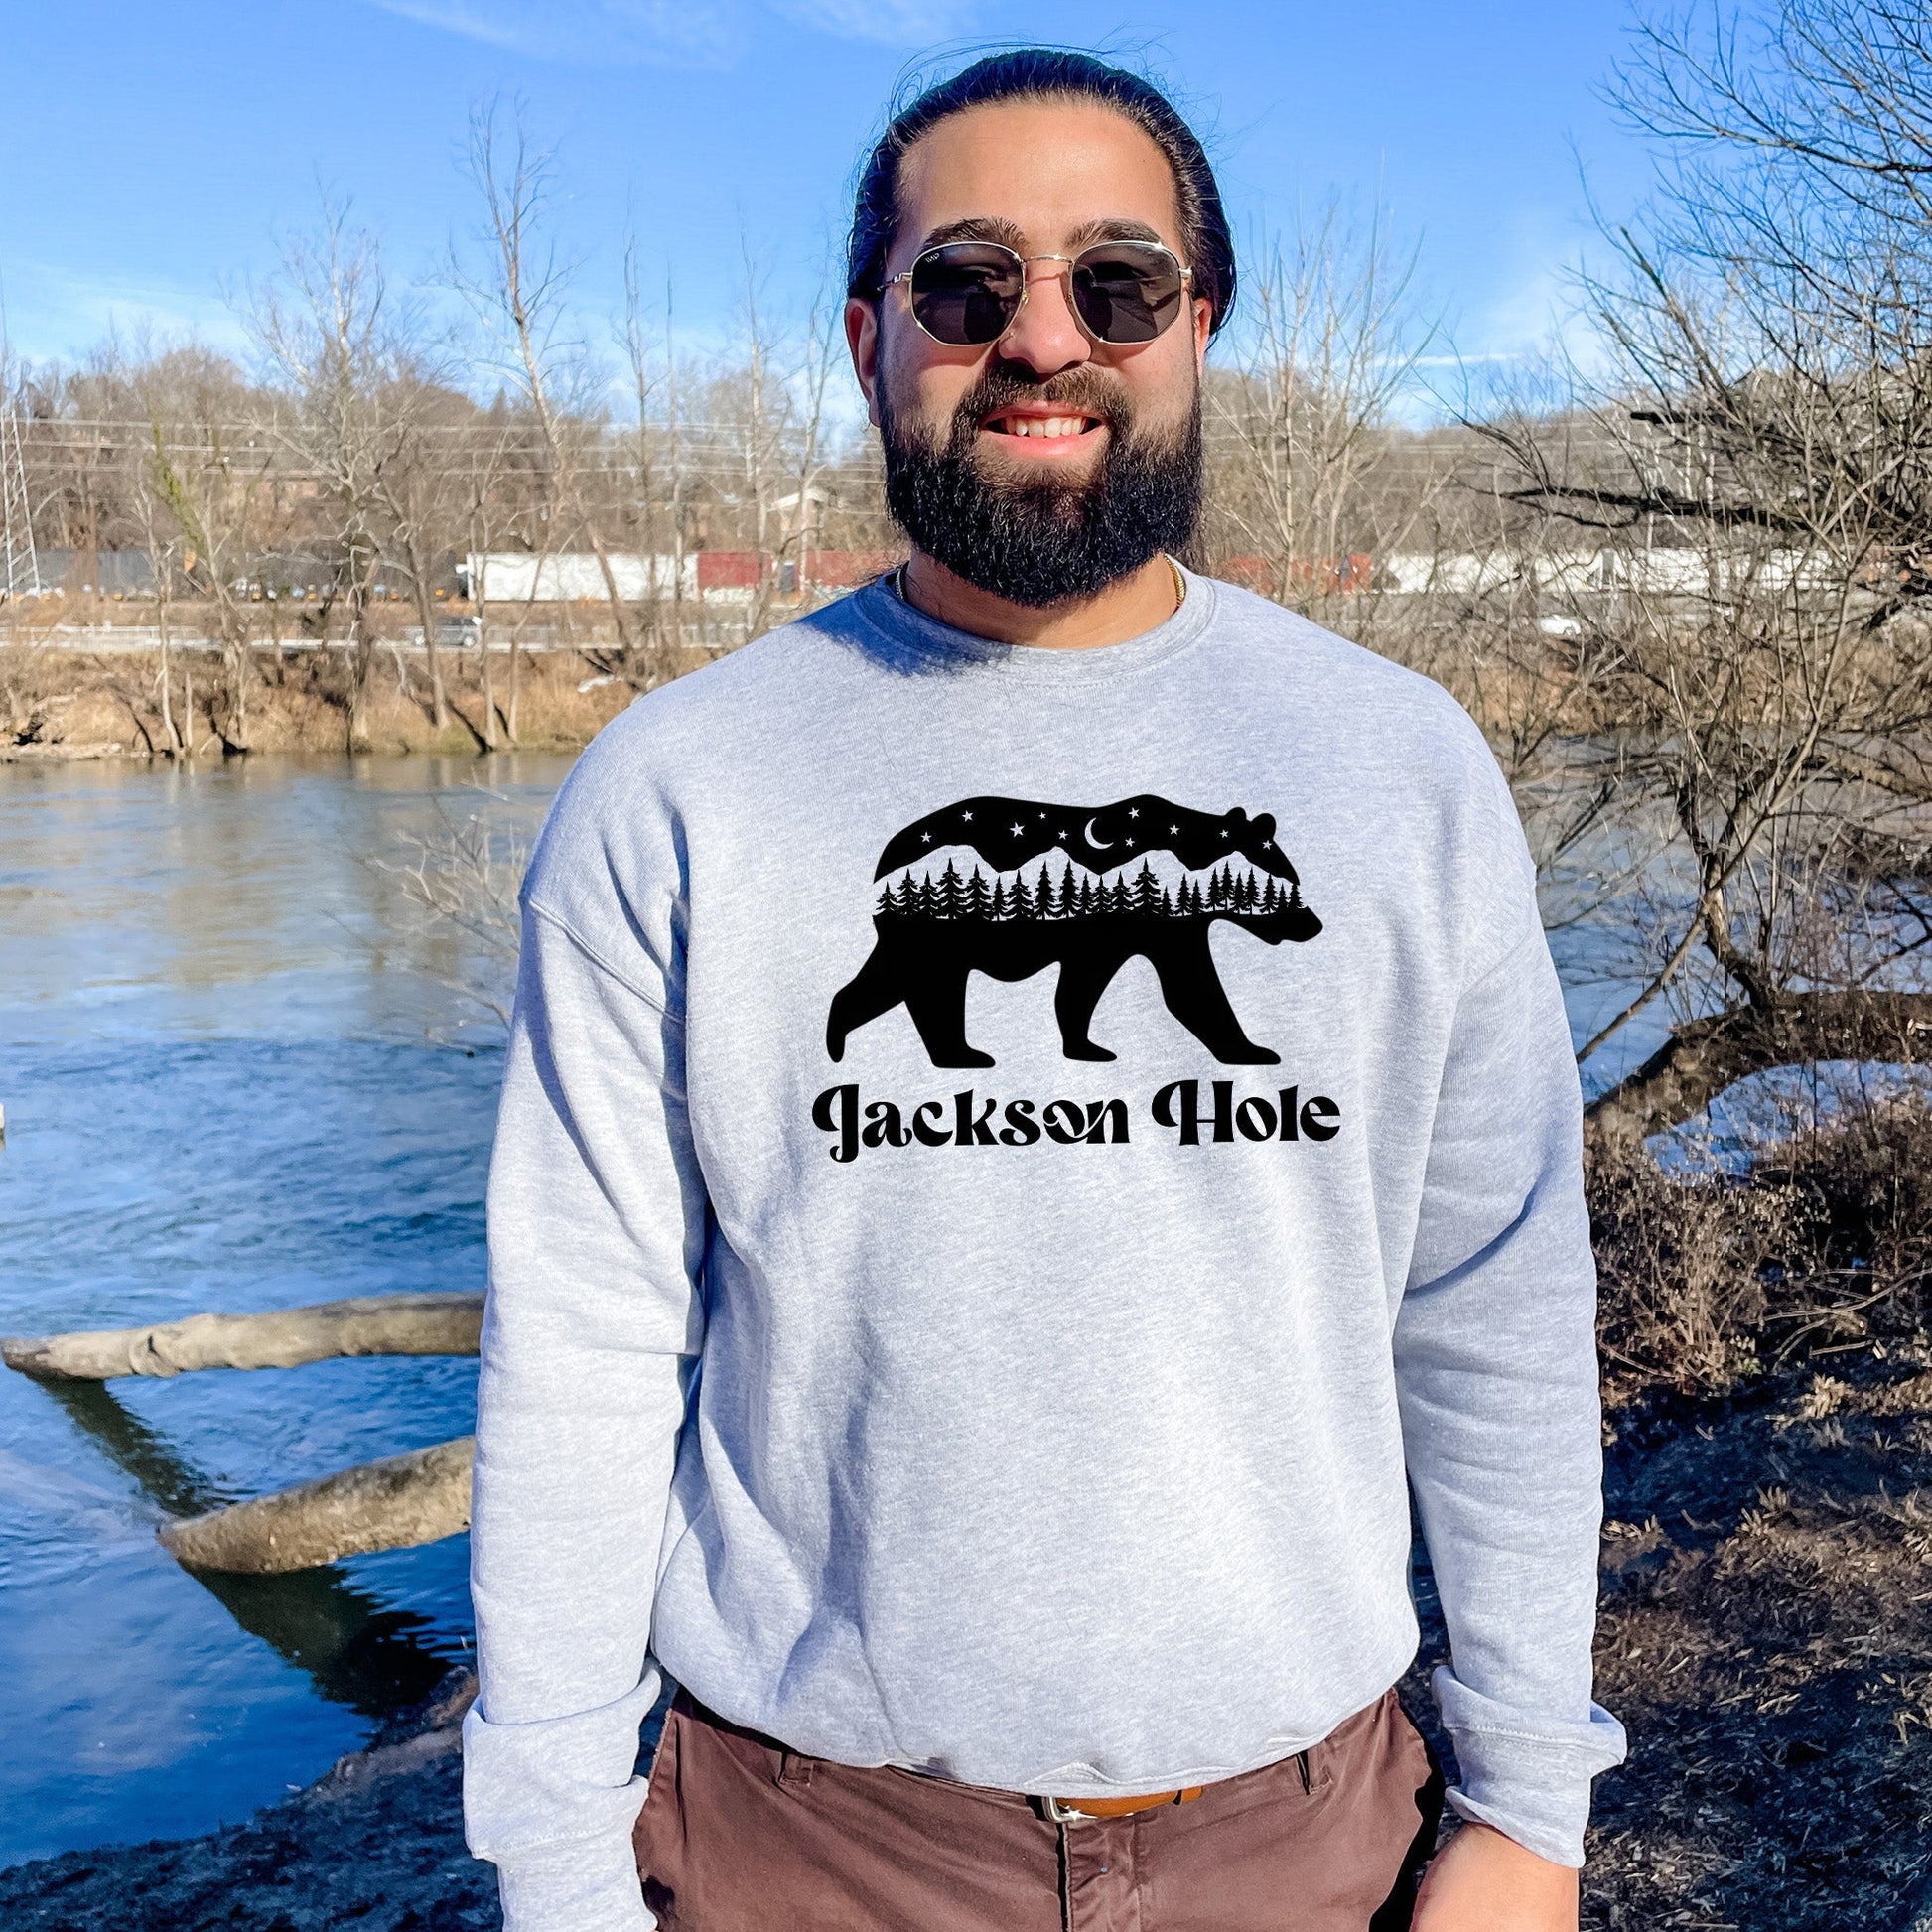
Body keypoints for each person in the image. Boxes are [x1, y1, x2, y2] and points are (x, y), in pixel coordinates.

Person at [462, 48, 1626, 1932]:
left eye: (1117, 282)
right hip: (803, 1847)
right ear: (869, 337)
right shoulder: (679, 786)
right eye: (966, 282)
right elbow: (583, 1350)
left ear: (1197, 324)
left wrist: (1528, 1804)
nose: (1041, 338)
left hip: (1311, 1834)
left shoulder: (1396, 769)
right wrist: (555, 1856)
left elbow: (1491, 1306)